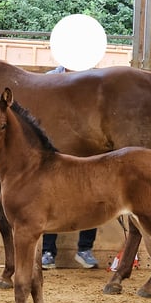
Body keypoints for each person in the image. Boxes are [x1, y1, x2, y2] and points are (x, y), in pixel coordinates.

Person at [41, 64, 99, 270]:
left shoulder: (94, 79)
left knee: (92, 196)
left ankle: (85, 249)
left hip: (84, 144)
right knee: (50, 196)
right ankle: (47, 251)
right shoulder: (49, 79)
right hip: (56, 145)